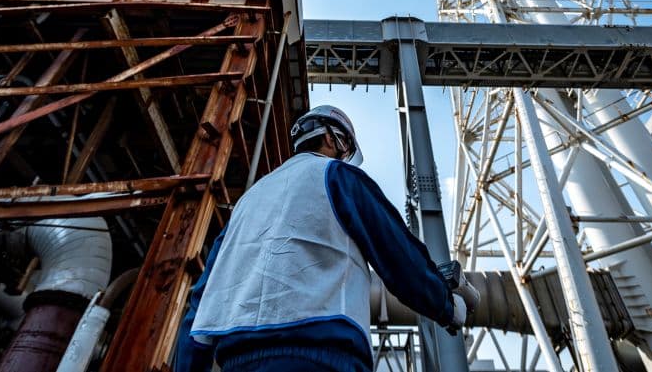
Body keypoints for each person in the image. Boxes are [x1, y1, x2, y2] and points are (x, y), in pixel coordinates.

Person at [174, 104, 468, 372]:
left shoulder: (247, 204)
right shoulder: (338, 176)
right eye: (345, 146)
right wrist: (446, 306)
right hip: (324, 357)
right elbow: (397, 254)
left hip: (239, 362)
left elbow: (203, 304)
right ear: (331, 139)